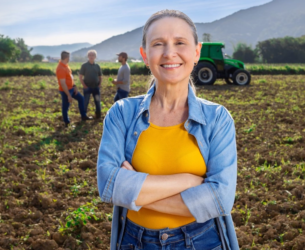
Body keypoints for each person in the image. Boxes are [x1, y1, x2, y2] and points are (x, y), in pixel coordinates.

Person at [97, 9, 239, 250]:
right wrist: (188, 181)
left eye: (180, 42)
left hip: (203, 240)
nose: (169, 52)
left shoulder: (217, 119)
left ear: (196, 52)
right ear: (145, 54)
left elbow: (219, 200)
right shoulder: (121, 113)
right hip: (134, 242)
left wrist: (135, 195)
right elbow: (109, 185)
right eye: (158, 43)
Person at [56, 51, 92, 127]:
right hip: (65, 91)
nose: (69, 58)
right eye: (69, 57)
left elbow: (70, 77)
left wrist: (74, 86)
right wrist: (68, 95)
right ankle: (67, 122)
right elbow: (63, 83)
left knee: (81, 99)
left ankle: (83, 116)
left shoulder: (66, 66)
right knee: (65, 107)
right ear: (66, 57)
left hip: (71, 88)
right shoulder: (61, 68)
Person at [79, 50, 103, 119]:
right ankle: (84, 116)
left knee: (97, 102)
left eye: (93, 55)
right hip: (87, 88)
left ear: (95, 57)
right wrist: (84, 86)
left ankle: (98, 115)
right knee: (85, 102)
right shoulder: (84, 65)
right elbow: (80, 76)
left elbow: (100, 76)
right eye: (90, 55)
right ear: (88, 56)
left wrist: (99, 85)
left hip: (96, 88)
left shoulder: (97, 66)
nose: (91, 56)